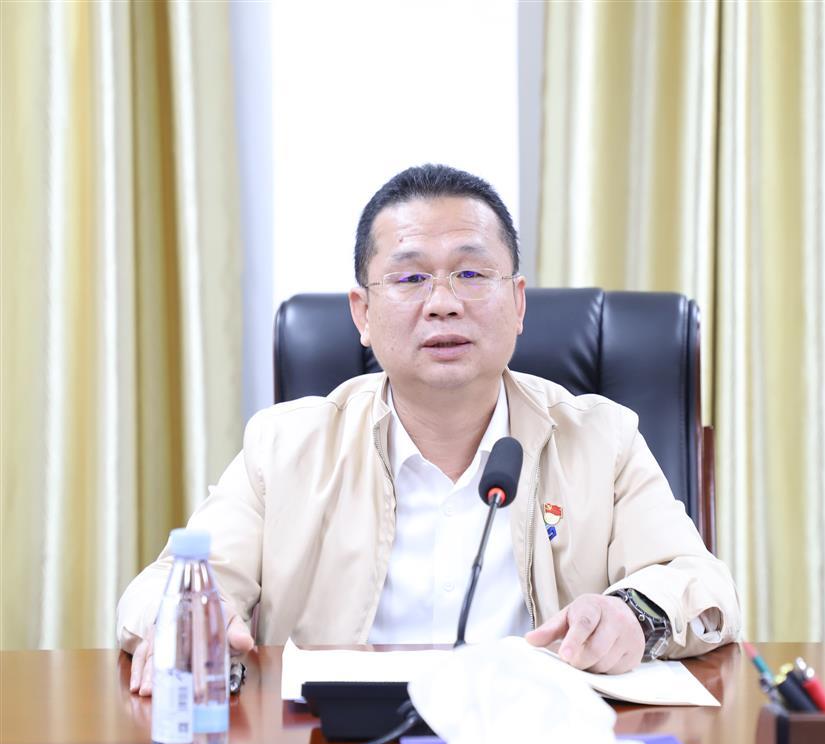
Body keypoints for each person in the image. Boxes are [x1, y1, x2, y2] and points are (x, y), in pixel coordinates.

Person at [119, 164, 741, 696]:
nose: (443, 302)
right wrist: (184, 622)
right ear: (363, 313)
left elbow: (703, 583)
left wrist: (633, 615)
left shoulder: (602, 440)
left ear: (518, 302)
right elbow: (162, 589)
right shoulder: (283, 448)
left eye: (471, 274)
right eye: (411, 278)